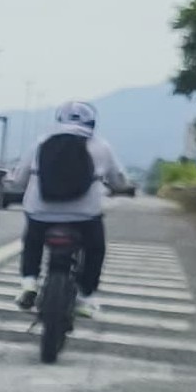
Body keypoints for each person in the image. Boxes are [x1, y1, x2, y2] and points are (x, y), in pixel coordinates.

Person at [15, 100, 127, 317]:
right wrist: (121, 188)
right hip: (84, 215)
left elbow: (19, 178)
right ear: (92, 123)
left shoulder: (40, 142)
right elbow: (118, 180)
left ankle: (29, 283)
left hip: (41, 212)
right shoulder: (100, 145)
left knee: (32, 241)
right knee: (95, 249)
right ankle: (85, 296)